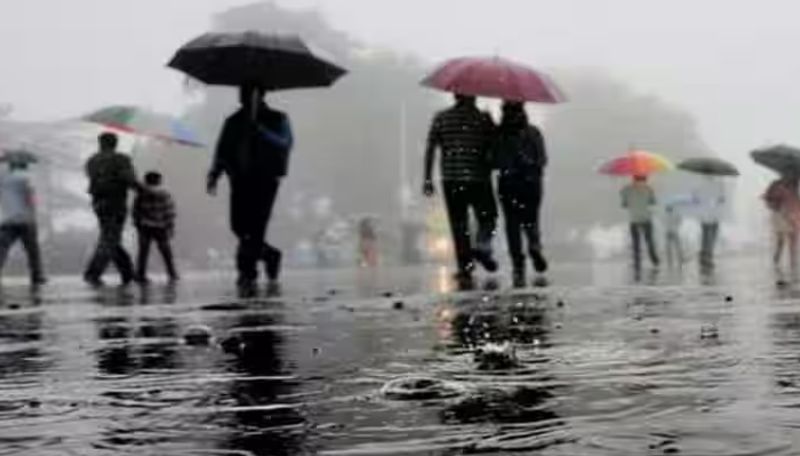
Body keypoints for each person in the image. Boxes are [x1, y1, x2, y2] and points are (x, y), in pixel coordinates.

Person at [207, 84, 293, 290]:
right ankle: (269, 255)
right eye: (242, 92)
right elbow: (223, 149)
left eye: (249, 92)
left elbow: (285, 143)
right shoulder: (233, 121)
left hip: (266, 178)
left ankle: (247, 269)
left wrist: (261, 131)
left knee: (256, 225)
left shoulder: (278, 118)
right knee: (238, 225)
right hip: (239, 178)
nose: (243, 96)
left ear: (260, 94)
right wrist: (215, 173)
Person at [423, 93, 498, 287]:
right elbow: (495, 146)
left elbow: (431, 148)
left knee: (459, 224)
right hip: (479, 178)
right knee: (488, 216)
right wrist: (491, 126)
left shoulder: (442, 118)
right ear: (474, 96)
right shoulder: (482, 119)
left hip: (452, 179)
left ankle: (464, 267)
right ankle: (482, 245)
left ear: (455, 96)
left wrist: (428, 178)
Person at [492, 101, 548, 288]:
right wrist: (529, 165)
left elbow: (492, 161)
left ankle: (518, 262)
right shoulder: (534, 132)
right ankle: (534, 246)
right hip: (531, 184)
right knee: (531, 220)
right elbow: (542, 160)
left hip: (508, 185)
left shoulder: (499, 135)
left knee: (512, 225)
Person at [84, 132, 138, 286]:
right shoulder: (121, 159)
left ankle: (127, 271)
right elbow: (129, 179)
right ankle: (93, 273)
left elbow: (94, 178)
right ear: (115, 143)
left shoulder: (91, 161)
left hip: (98, 203)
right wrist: (142, 189)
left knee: (111, 237)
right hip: (116, 202)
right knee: (110, 238)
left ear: (100, 143)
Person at [0, 158, 45, 285]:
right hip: (26, 219)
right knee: (32, 250)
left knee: (2, 248)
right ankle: (36, 276)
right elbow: (31, 199)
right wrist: (33, 209)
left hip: (8, 219)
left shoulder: (3, 180)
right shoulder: (26, 179)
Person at [133, 171, 178, 283]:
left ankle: (140, 274)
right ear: (158, 180)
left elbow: (136, 211)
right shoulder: (164, 193)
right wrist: (170, 225)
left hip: (145, 226)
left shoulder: (140, 194)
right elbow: (169, 211)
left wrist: (137, 224)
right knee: (166, 252)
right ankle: (172, 274)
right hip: (160, 226)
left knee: (143, 252)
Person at [621, 175, 660, 268]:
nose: (641, 183)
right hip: (644, 218)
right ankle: (654, 260)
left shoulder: (627, 190)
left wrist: (624, 193)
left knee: (637, 243)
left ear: (633, 180)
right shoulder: (648, 190)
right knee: (648, 241)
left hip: (635, 219)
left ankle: (638, 262)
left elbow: (624, 205)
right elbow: (653, 202)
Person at [764, 174, 800, 271]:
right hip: (780, 215)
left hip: (793, 215)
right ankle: (777, 258)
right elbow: (767, 198)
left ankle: (793, 261)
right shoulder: (777, 185)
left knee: (793, 239)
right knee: (781, 240)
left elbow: (795, 202)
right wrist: (776, 205)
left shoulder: (795, 189)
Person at [693, 176, 725, 267]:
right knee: (711, 237)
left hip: (704, 215)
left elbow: (695, 199)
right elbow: (722, 199)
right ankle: (708, 256)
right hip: (713, 215)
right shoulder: (718, 185)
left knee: (705, 236)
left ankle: (704, 254)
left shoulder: (699, 186)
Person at [663, 203, 685, 268]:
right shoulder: (676, 214)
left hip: (668, 232)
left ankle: (670, 261)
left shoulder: (664, 215)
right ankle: (680, 259)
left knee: (668, 247)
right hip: (674, 232)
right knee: (677, 246)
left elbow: (662, 222)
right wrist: (676, 225)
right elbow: (680, 221)